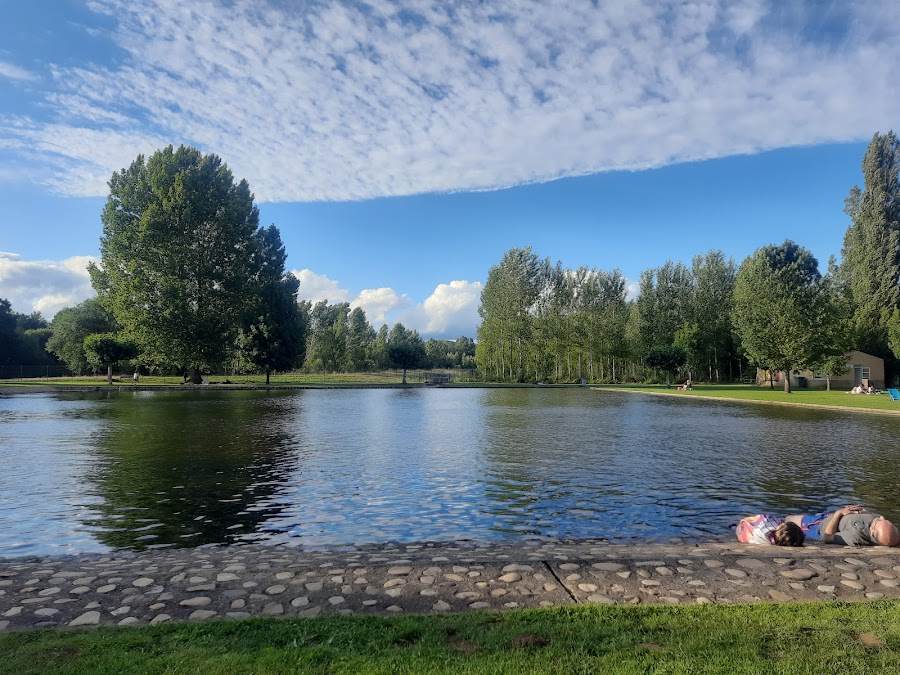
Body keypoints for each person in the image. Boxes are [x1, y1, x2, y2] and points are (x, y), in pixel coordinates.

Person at [785, 506, 900, 546]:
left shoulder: (854, 536)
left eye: (877, 522)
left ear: (873, 532)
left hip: (818, 527)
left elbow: (827, 537)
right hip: (828, 517)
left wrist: (839, 513)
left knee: (788, 519)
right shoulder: (883, 525)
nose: (881, 518)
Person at [736, 514, 804, 546]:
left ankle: (734, 527)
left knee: (738, 528)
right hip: (751, 535)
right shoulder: (771, 541)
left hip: (748, 530)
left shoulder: (767, 530)